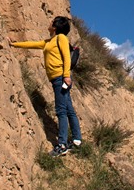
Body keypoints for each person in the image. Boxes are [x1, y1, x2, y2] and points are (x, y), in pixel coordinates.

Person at [10, 15, 83, 156]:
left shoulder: (61, 38)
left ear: (55, 26)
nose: (49, 23)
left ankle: (62, 145)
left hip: (60, 78)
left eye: (51, 22)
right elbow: (33, 44)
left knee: (61, 111)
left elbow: (67, 57)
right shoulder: (50, 41)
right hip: (57, 79)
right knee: (68, 109)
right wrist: (14, 44)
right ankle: (76, 140)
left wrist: (66, 75)